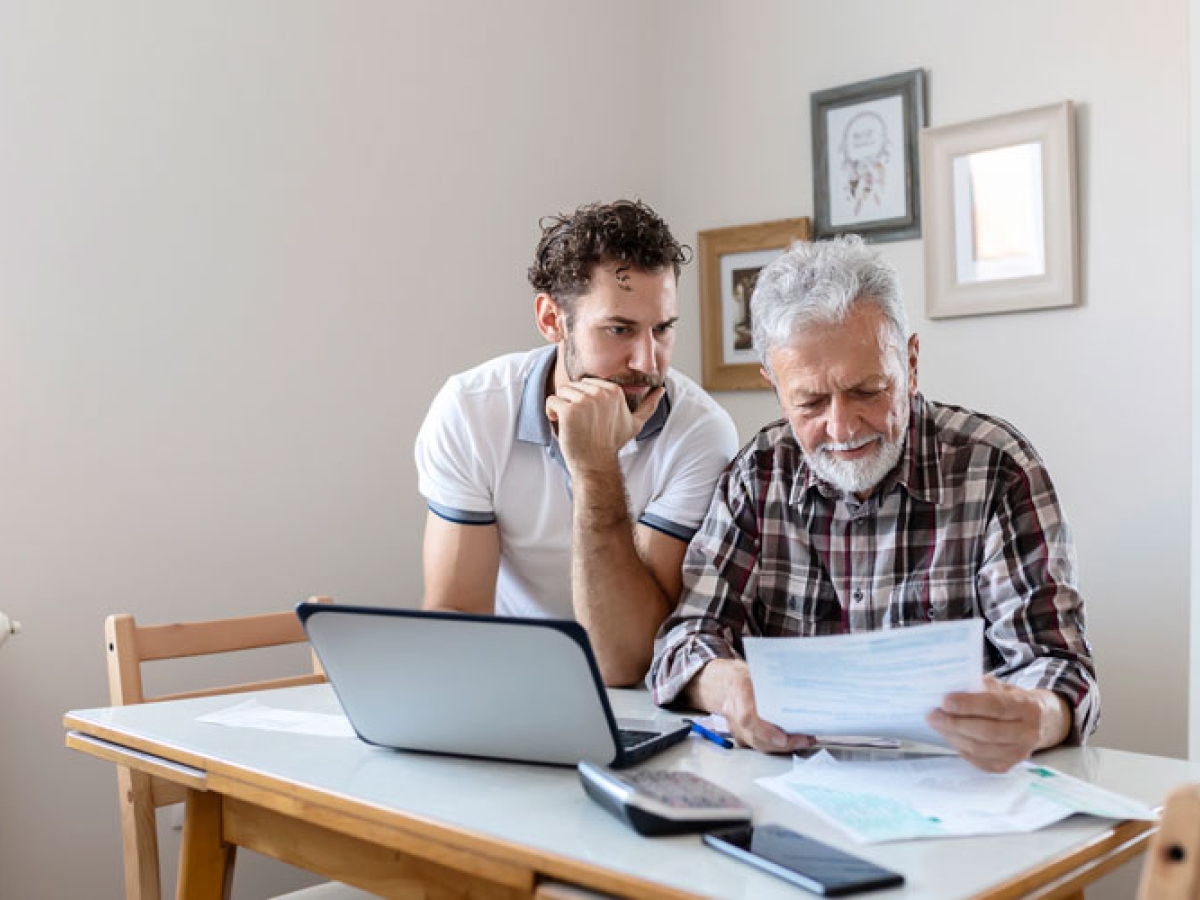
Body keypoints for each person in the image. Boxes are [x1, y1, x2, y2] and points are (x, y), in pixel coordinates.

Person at [648, 235, 1098, 772]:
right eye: (811, 402)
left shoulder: (996, 467)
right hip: (792, 790)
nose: (842, 427)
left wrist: (1038, 713)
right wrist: (726, 687)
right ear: (773, 384)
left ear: (909, 360)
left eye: (867, 391)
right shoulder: (757, 474)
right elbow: (684, 641)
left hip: (957, 793)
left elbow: (1058, 666)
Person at [416, 199, 739, 686]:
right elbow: (458, 617)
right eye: (619, 329)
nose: (648, 361)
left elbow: (627, 659)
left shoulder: (700, 433)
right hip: (505, 682)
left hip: (639, 699)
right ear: (551, 319)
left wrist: (595, 467)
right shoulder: (471, 409)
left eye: (663, 329)